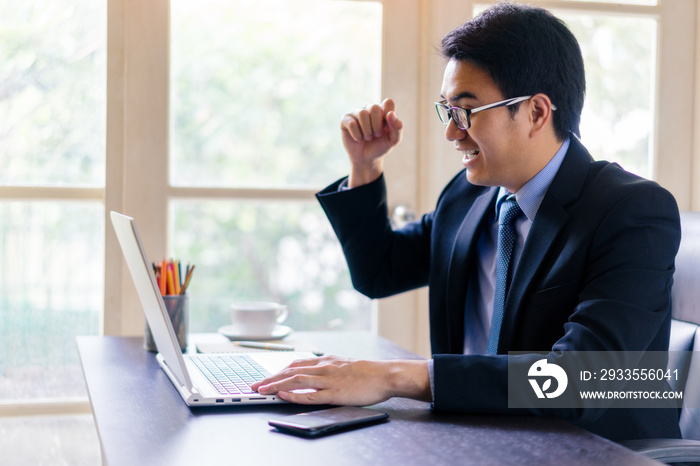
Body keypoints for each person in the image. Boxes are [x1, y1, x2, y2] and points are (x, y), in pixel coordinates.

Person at [252, 2, 681, 441]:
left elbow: (585, 378)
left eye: (467, 110)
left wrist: (398, 377)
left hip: (596, 451)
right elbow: (379, 272)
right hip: (476, 437)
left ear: (536, 112)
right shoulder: (469, 195)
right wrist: (365, 167)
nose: (452, 132)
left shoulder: (633, 212)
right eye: (447, 110)